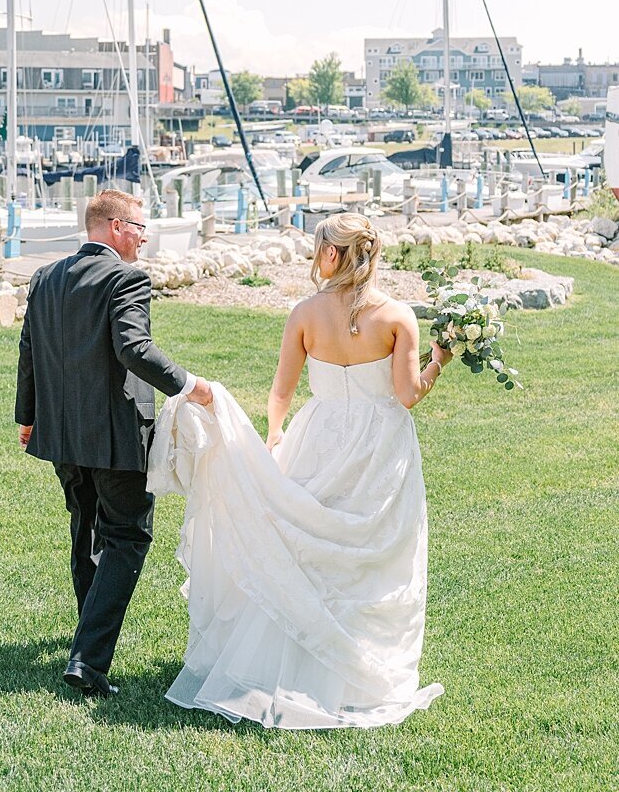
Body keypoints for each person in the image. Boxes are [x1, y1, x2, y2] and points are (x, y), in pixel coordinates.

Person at [148, 212, 452, 728]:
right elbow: (406, 396)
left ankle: (290, 666)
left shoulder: (305, 313)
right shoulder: (399, 316)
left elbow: (282, 392)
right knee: (372, 557)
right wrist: (439, 359)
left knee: (304, 549)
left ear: (332, 255)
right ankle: (357, 672)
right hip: (381, 448)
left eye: (319, 249)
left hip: (318, 436)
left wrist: (274, 433)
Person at [15, 189, 212, 698]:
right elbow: (134, 348)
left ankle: (87, 634)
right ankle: (88, 661)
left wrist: (28, 417)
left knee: (86, 529)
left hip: (61, 432)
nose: (145, 238)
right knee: (126, 536)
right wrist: (191, 386)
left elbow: (29, 351)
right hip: (116, 435)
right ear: (117, 227)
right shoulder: (127, 277)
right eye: (141, 228)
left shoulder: (45, 277)